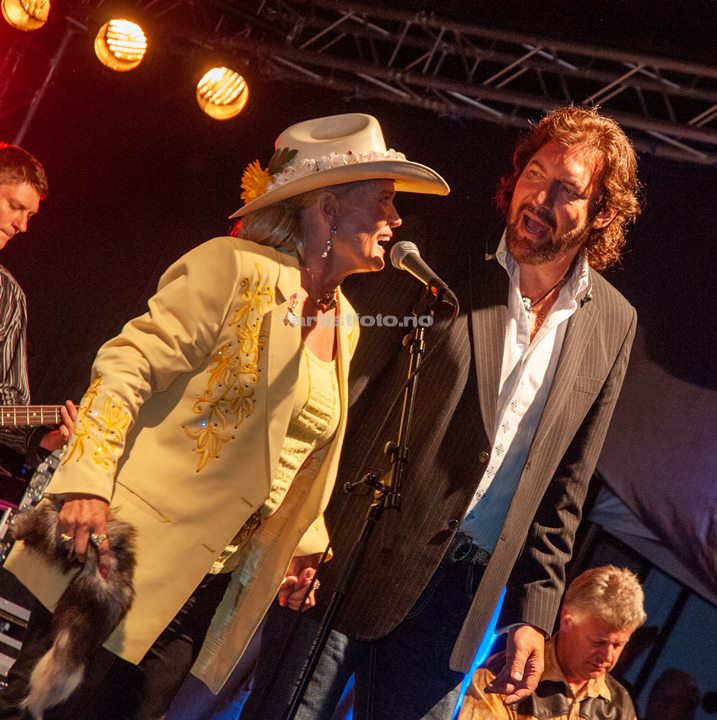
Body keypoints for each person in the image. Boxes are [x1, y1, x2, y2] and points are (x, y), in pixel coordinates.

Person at [0, 113, 449, 719]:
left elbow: (298, 449)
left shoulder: (346, 322)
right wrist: (85, 481)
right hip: (115, 559)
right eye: (385, 201)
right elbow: (127, 365)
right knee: (38, 711)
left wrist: (303, 543)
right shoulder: (233, 268)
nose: (396, 220)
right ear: (328, 208)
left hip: (207, 586)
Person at [240, 105, 641, 720]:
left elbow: (566, 486)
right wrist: (306, 525)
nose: (538, 198)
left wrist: (531, 617)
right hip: (350, 556)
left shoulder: (613, 323)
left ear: (603, 212)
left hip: (462, 595)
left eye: (567, 190)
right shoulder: (434, 254)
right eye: (534, 174)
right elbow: (346, 394)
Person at [458, 565, 646, 719]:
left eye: (618, 645)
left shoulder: (620, 704)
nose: (608, 656)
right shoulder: (502, 676)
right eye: (598, 642)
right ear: (567, 620)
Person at [0, 143, 75, 474]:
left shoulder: (7, 296)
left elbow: (9, 403)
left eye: (29, 216)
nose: (22, 225)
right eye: (16, 207)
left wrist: (48, 440)